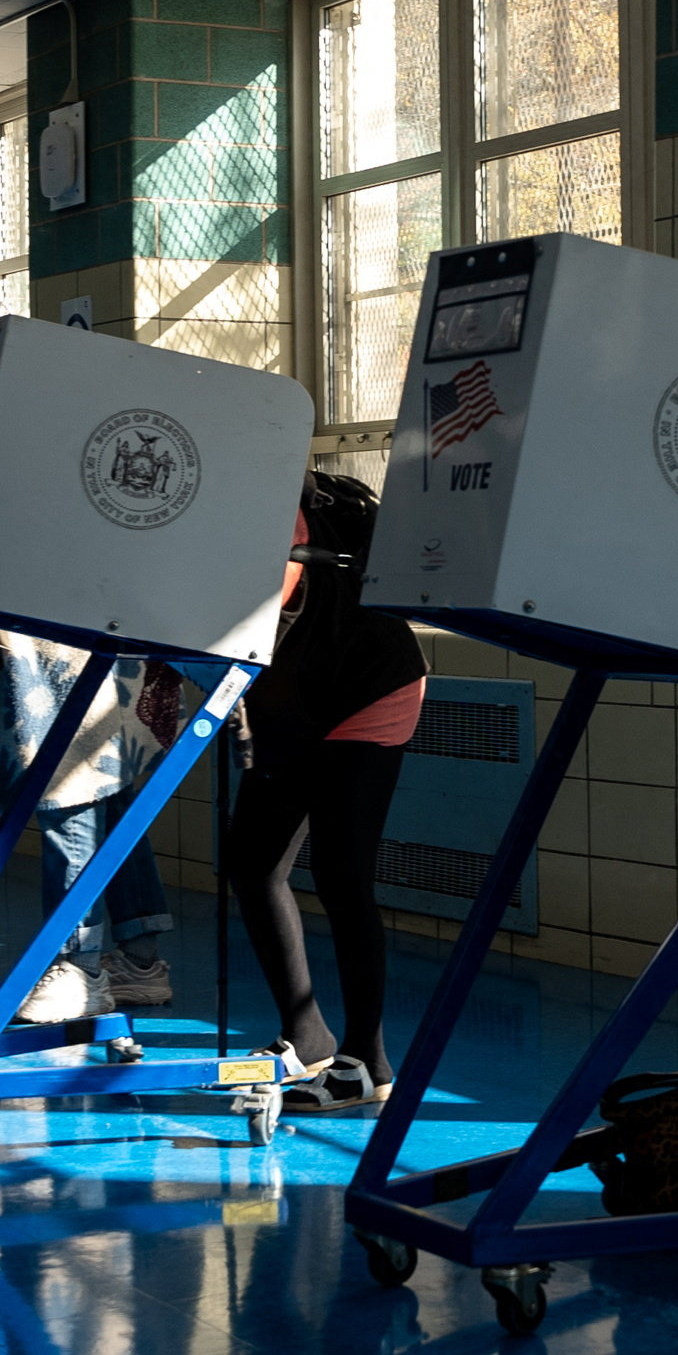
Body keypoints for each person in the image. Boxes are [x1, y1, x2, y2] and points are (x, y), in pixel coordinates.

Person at [225, 468, 424, 1109]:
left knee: (341, 874)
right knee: (253, 863)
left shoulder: (269, 496)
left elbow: (264, 597)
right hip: (295, 691)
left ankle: (368, 1061)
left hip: (369, 685)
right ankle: (305, 1035)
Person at [0, 630, 177, 1015]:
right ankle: (139, 961)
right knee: (111, 794)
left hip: (60, 641)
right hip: (113, 632)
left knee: (69, 788)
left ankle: (81, 970)